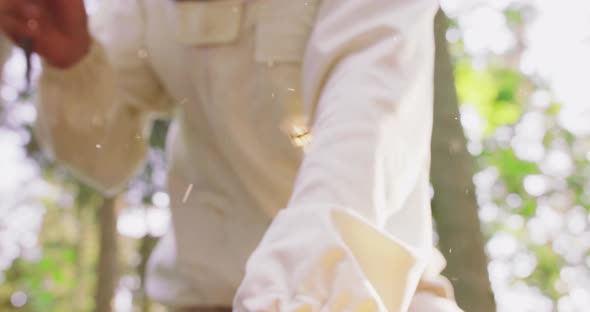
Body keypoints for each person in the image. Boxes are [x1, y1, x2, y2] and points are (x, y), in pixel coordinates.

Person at [0, 0, 463, 311]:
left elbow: (368, 118)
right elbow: (104, 162)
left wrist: (299, 289)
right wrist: (72, 58)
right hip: (202, 299)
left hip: (378, 298)